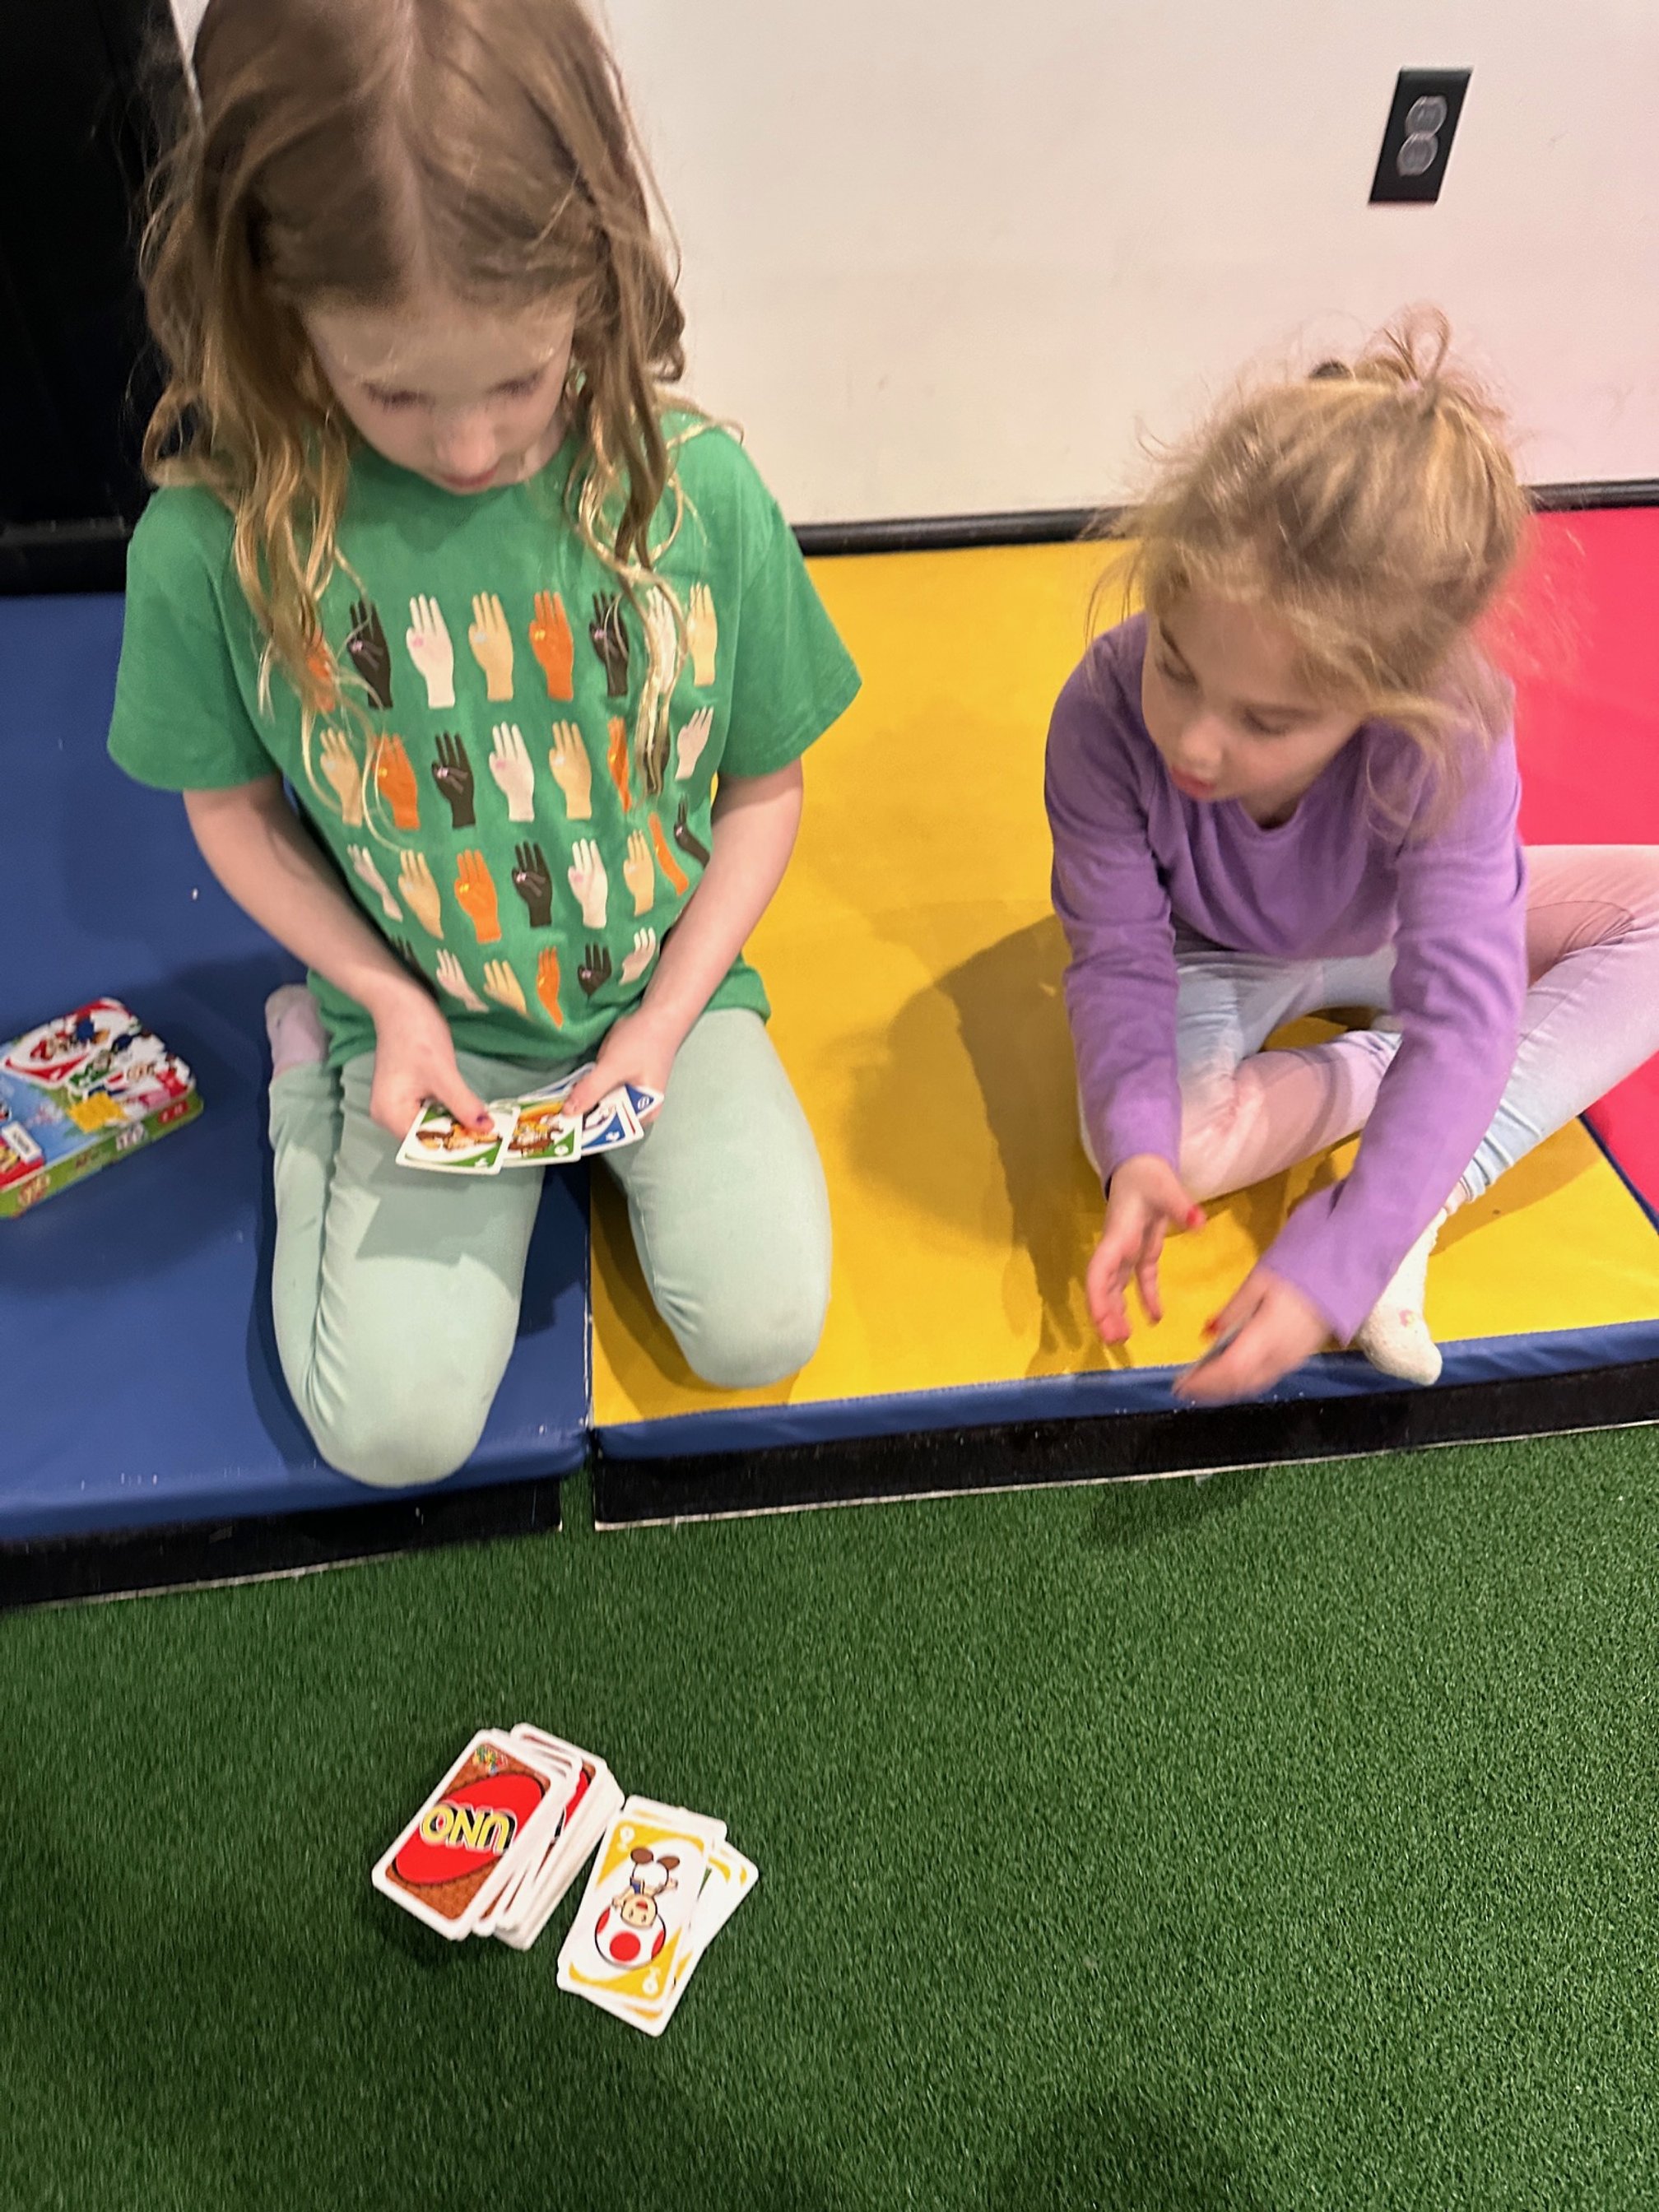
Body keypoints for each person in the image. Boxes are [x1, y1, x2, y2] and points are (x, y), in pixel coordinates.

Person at [109, 0, 858, 1484]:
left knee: (762, 1329)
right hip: (425, 1024)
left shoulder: (698, 493)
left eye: (519, 381)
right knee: (393, 1434)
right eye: (390, 390)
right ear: (271, 305)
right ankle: (306, 1061)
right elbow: (234, 811)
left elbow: (764, 791)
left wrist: (660, 1023)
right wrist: (381, 999)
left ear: (596, 282)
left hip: (667, 1000)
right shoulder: (213, 545)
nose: (464, 450)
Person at [1046, 313, 1659, 1402]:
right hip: (1216, 949)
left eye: (1268, 722)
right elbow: (1118, 961)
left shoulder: (1446, 728)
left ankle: (1434, 1171)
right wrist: (1138, 1147)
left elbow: (1468, 1013)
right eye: (1178, 668)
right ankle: (1398, 1084)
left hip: (1389, 941)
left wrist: (1353, 1244)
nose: (1195, 741)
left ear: (1385, 696)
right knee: (1162, 1147)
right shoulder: (1102, 706)